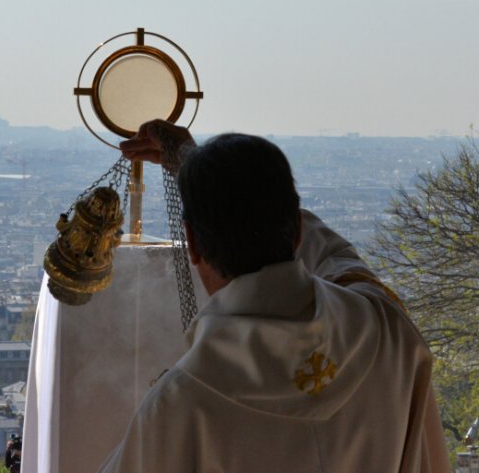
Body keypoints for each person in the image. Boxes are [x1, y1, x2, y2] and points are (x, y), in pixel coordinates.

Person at [99, 121, 450, 473]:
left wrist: (197, 171)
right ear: (296, 228)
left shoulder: (179, 406)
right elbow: (335, 254)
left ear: (191, 243)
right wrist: (192, 160)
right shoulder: (384, 330)